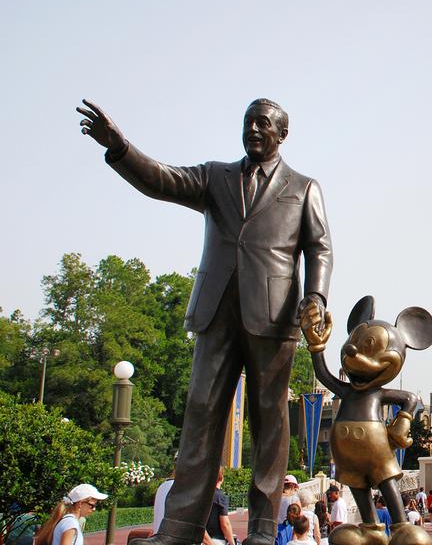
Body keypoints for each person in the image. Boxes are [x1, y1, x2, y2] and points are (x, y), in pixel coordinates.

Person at [78, 98, 333, 545]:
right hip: (216, 312)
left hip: (274, 319)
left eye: (263, 124)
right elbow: (162, 180)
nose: (253, 129)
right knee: (200, 413)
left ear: (282, 135)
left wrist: (315, 295)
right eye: (248, 122)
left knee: (270, 423)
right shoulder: (216, 176)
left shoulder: (304, 187)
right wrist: (121, 148)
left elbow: (320, 248)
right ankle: (178, 529)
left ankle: (260, 529)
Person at [34, 484, 107, 545]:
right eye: (92, 506)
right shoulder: (71, 523)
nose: (94, 509)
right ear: (80, 504)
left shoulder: (67, 520)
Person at [203, 469, 235, 545]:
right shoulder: (220, 497)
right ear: (221, 478)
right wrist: (232, 542)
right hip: (215, 540)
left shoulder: (200, 495)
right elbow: (225, 524)